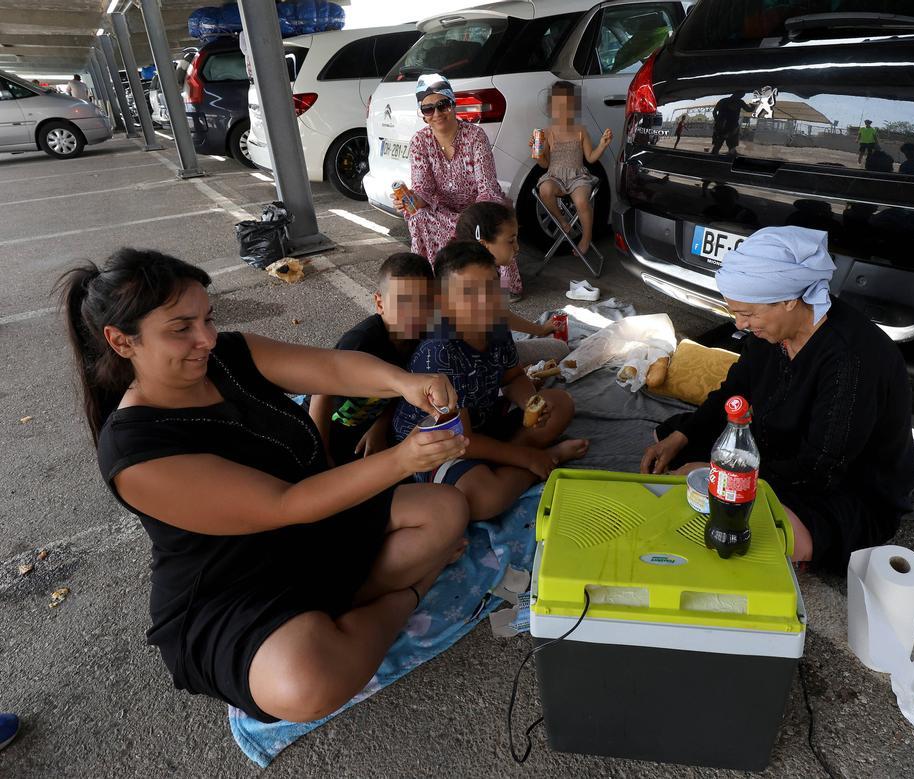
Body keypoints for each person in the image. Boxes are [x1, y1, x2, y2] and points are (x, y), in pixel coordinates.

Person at [59, 249, 471, 724]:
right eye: (181, 329)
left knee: (445, 509)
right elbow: (287, 503)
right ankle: (405, 596)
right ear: (121, 341)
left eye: (207, 319)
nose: (206, 339)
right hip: (231, 585)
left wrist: (405, 382)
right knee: (306, 683)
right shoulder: (133, 449)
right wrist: (404, 459)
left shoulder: (228, 355)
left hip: (315, 529)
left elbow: (333, 369)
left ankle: (341, 615)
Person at [640, 227, 914, 572]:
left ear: (789, 300)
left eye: (749, 314)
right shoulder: (769, 330)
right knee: (673, 445)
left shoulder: (852, 360)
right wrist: (681, 438)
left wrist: (719, 474)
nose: (740, 325)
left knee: (771, 532)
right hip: (777, 444)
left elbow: (820, 468)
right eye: (736, 313)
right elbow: (734, 392)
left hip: (843, 482)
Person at [393, 241, 588, 521]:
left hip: (483, 417)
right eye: (468, 294)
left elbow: (513, 377)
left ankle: (512, 463)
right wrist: (526, 459)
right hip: (441, 443)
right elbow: (463, 439)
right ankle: (543, 459)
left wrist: (530, 402)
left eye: (490, 288)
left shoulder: (496, 326)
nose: (484, 302)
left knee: (560, 404)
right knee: (484, 499)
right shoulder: (440, 352)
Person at [394, 73, 522, 297]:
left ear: (453, 105)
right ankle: (439, 280)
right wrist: (410, 200)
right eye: (428, 109)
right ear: (423, 115)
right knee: (417, 215)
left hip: (478, 207)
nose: (436, 113)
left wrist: (470, 219)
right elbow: (423, 188)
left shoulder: (475, 136)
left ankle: (500, 284)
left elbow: (487, 187)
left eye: (442, 105)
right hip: (443, 212)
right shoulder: (419, 142)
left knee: (487, 221)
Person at [309, 253, 434, 466]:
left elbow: (400, 393)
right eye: (403, 302)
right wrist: (320, 452)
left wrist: (379, 428)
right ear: (380, 303)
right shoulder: (361, 342)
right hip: (320, 428)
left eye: (423, 303)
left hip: (365, 430)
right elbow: (321, 393)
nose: (414, 314)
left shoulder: (423, 341)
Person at [455, 202, 569, 367]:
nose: (517, 248)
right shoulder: (479, 283)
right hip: (481, 363)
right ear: (483, 244)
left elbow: (500, 315)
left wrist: (540, 330)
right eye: (511, 241)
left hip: (488, 355)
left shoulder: (467, 270)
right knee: (560, 349)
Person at [532, 81, 613, 256]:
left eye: (567, 107)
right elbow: (544, 164)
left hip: (578, 177)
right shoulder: (548, 133)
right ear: (551, 108)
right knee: (545, 190)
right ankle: (562, 220)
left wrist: (602, 145)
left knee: (582, 201)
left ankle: (586, 237)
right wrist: (537, 154)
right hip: (555, 177)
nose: (562, 112)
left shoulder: (581, 131)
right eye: (558, 107)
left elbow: (590, 158)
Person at [710, 92, 753, 156]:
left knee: (718, 143)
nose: (741, 97)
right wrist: (753, 106)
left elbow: (714, 112)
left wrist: (717, 120)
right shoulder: (740, 102)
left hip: (721, 124)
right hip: (732, 125)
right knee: (731, 142)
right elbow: (749, 109)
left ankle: (715, 155)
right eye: (741, 95)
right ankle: (731, 153)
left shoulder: (723, 100)